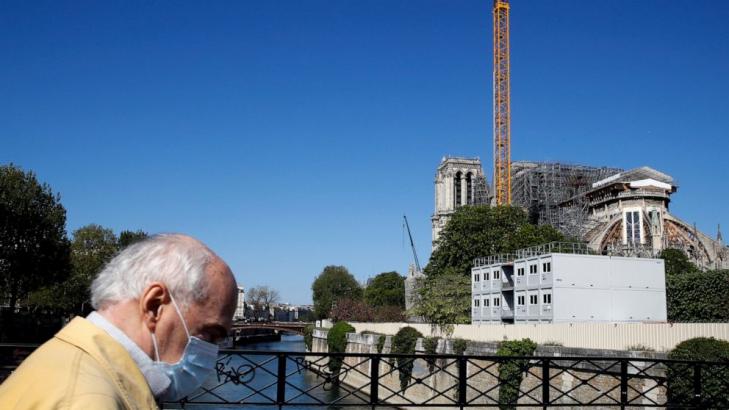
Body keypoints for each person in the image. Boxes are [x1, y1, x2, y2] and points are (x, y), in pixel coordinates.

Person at [0, 234, 238, 409]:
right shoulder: (89, 400)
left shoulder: (70, 362)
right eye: (209, 334)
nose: (212, 351)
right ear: (154, 305)